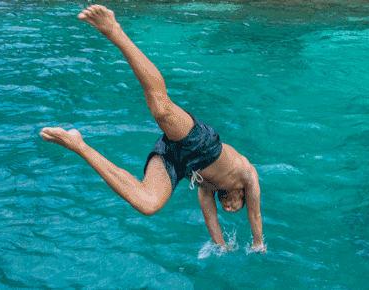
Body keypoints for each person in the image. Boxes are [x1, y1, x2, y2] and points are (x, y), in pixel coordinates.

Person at [39, 5, 265, 253]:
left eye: (230, 209)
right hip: (203, 144)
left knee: (148, 204)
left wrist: (222, 249)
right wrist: (257, 243)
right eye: (237, 204)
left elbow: (211, 220)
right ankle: (114, 31)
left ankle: (78, 145)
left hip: (179, 162)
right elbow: (255, 214)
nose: (232, 209)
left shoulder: (206, 189)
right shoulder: (247, 174)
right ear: (241, 194)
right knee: (161, 108)